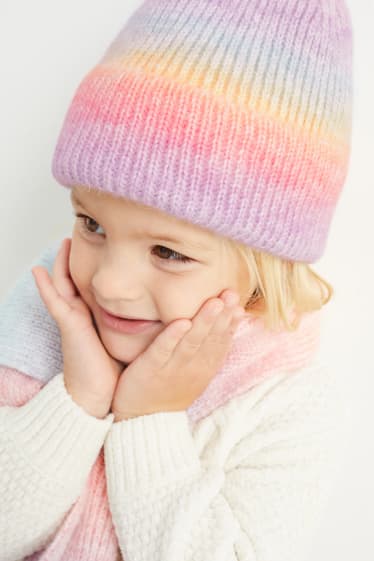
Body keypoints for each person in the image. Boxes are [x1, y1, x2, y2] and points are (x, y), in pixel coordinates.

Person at [0, 0, 353, 560]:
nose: (111, 284)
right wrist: (78, 400)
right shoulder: (47, 311)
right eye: (91, 223)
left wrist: (150, 421)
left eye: (167, 251)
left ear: (263, 266)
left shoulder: (284, 401)